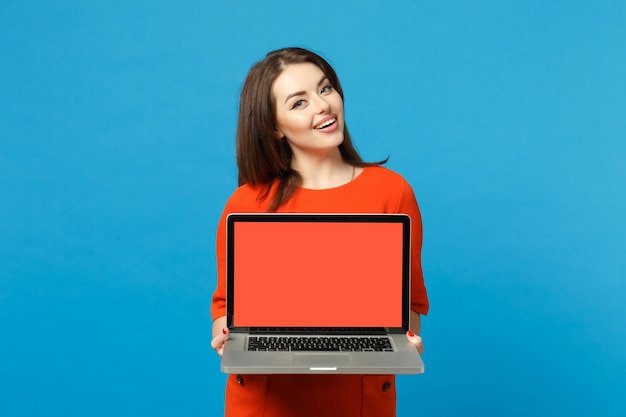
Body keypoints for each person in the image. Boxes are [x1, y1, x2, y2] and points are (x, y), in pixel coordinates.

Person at [210, 47, 429, 417]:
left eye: (325, 89)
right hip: (266, 404)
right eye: (299, 103)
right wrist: (227, 335)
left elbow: (410, 305)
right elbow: (225, 307)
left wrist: (402, 337)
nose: (322, 105)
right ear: (274, 127)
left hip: (360, 403)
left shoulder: (392, 191)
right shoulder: (247, 202)